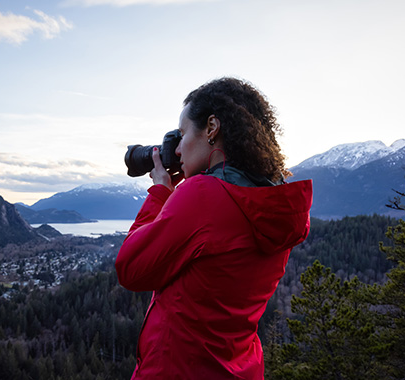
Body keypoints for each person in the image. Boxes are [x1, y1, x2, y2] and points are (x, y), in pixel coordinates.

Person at [115, 77, 313, 379]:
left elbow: (130, 268)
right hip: (239, 368)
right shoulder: (271, 202)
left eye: (182, 135)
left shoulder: (203, 196)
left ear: (211, 128)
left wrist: (160, 192)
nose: (177, 150)